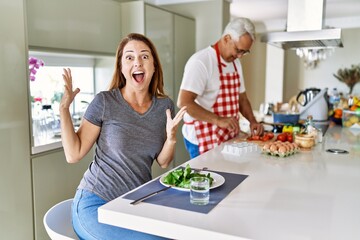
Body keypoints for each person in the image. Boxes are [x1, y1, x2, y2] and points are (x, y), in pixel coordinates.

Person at [60, 33, 186, 240]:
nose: (137, 62)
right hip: (96, 204)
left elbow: (163, 162)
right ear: (121, 67)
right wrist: (64, 108)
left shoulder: (165, 106)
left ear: (154, 65)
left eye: (144, 56)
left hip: (135, 204)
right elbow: (73, 154)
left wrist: (171, 138)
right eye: (129, 57)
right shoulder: (105, 102)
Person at [177, 17, 264, 158]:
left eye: (245, 52)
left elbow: (242, 99)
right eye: (238, 50)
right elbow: (184, 103)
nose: (240, 56)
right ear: (226, 38)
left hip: (228, 135)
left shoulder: (236, 63)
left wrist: (252, 121)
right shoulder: (201, 62)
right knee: (207, 178)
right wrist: (218, 120)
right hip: (201, 136)